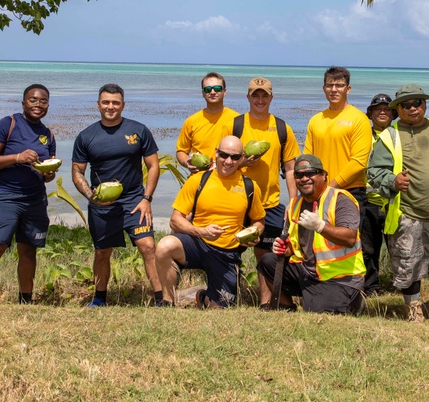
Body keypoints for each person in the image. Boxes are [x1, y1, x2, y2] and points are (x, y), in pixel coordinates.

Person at [368, 84, 429, 322]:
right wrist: (393, 181)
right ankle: (413, 308)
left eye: (417, 103)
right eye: (406, 105)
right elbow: (373, 172)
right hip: (408, 212)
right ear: (397, 109)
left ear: (425, 104)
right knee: (408, 263)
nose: (412, 108)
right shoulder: (389, 136)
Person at [71, 84, 163, 307]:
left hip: (134, 201)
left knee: (148, 247)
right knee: (102, 253)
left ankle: (162, 298)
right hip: (102, 203)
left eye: (115, 102)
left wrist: (146, 198)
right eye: (106, 102)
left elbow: (153, 166)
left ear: (123, 105)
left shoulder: (138, 130)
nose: (110, 106)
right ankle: (100, 298)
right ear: (98, 105)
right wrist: (90, 195)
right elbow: (77, 171)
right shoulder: (86, 136)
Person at [0, 84, 57, 304]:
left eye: (43, 101)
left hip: (35, 198)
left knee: (28, 250)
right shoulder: (8, 124)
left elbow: (48, 170)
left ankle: (25, 300)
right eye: (33, 100)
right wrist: (17, 157)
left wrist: (48, 174)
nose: (38, 105)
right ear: (24, 103)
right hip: (6, 194)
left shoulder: (48, 134)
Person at [155, 135, 266, 308]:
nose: (228, 161)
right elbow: (175, 221)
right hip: (197, 243)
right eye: (224, 155)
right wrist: (202, 231)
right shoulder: (198, 180)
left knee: (223, 307)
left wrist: (255, 233)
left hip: (227, 253)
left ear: (242, 158)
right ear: (216, 153)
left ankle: (201, 296)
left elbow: (259, 220)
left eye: (235, 157)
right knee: (165, 246)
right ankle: (167, 301)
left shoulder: (250, 186)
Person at [257, 154, 366, 314]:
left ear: (323, 175)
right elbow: (295, 244)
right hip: (308, 271)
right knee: (267, 261)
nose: (304, 178)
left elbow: (349, 238)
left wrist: (321, 226)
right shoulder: (295, 204)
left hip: (341, 277)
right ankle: (286, 306)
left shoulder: (340, 199)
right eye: (299, 175)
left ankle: (355, 301)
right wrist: (285, 248)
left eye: (310, 173)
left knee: (317, 310)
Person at [233, 77, 301, 307]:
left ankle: (266, 303)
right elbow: (221, 163)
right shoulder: (236, 124)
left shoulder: (282, 128)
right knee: (230, 252)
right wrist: (242, 163)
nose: (260, 100)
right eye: (255, 95)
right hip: (238, 201)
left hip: (270, 204)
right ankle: (226, 298)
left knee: (266, 255)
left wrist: (293, 201)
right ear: (248, 97)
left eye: (264, 95)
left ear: (271, 97)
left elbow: (290, 168)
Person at [303, 66, 374, 276]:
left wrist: (330, 188)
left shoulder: (359, 119)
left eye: (339, 85)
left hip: (349, 192)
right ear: (324, 88)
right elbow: (308, 159)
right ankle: (320, 280)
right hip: (319, 193)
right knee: (318, 241)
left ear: (348, 89)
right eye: (330, 85)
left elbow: (358, 162)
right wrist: (308, 187)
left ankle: (364, 286)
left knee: (353, 241)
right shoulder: (316, 120)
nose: (334, 89)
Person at [360, 93, 396, 296]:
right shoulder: (363, 135)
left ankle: (402, 282)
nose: (382, 112)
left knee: (398, 246)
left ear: (393, 113)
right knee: (369, 248)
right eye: (377, 109)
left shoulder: (399, 135)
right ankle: (371, 286)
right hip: (369, 199)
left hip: (394, 200)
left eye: (386, 109)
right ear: (370, 113)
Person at [176, 72, 238, 172]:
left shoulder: (237, 119)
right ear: (203, 93)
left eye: (217, 88)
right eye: (208, 89)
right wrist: (187, 162)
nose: (212, 92)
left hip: (229, 180)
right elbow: (181, 151)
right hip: (199, 179)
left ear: (224, 91)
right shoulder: (191, 121)